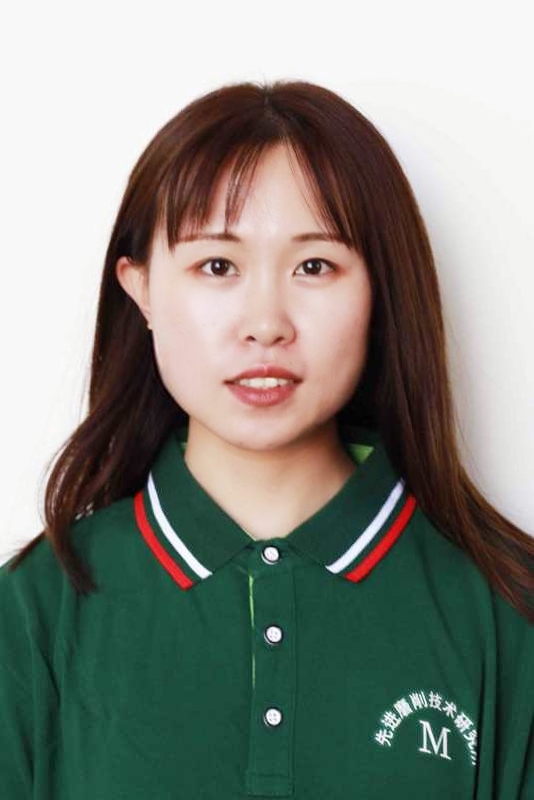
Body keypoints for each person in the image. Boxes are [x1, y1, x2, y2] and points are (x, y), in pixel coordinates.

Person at [0, 79, 532, 800]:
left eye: (315, 266)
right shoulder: (32, 612)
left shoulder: (508, 612)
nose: (265, 324)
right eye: (217, 266)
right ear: (141, 288)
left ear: (381, 292)